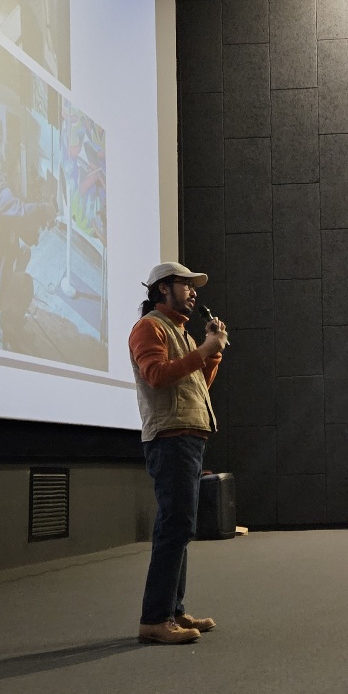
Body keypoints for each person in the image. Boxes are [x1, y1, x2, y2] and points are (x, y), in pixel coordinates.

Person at [131, 261, 227, 645]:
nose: (193, 292)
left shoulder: (181, 332)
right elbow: (157, 376)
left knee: (181, 527)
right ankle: (155, 619)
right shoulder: (149, 327)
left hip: (187, 436)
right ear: (163, 289)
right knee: (175, 526)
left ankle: (172, 610)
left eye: (193, 286)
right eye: (186, 285)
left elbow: (196, 384)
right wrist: (204, 349)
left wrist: (212, 353)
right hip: (170, 438)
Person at [0, 135, 57, 350]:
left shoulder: (7, 193)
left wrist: (40, 220)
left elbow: (29, 237)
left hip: (2, 268)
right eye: (19, 173)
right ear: (12, 171)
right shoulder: (4, 194)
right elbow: (19, 210)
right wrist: (43, 209)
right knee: (26, 285)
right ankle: (8, 328)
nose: (22, 178)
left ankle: (9, 316)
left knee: (25, 252)